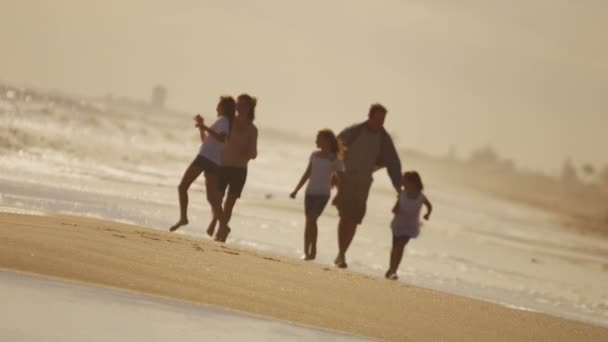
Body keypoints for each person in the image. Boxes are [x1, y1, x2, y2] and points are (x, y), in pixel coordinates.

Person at [332, 103, 402, 268]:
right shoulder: (354, 131)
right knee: (345, 217)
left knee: (355, 219)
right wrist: (333, 173)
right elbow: (335, 148)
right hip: (346, 179)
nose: (380, 123)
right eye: (378, 119)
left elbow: (393, 164)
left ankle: (342, 252)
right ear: (370, 117)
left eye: (383, 120)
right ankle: (341, 254)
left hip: (364, 183)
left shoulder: (384, 139)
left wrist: (399, 188)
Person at [170, 96, 235, 232]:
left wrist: (204, 126)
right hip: (214, 161)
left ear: (223, 107)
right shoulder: (223, 121)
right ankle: (223, 225)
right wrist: (202, 127)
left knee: (183, 187)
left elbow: (221, 138)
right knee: (211, 197)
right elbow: (207, 141)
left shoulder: (223, 120)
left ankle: (183, 218)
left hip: (205, 158)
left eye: (219, 104)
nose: (217, 107)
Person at [208, 94, 258, 242]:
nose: (240, 107)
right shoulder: (228, 122)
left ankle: (220, 232)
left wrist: (247, 151)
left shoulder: (252, 129)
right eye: (238, 104)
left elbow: (254, 153)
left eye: (244, 105)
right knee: (217, 199)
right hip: (222, 165)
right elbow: (217, 138)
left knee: (229, 204)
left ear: (250, 108)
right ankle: (219, 224)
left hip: (239, 169)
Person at [290, 129, 345, 260]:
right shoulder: (314, 155)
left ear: (326, 141)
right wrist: (296, 190)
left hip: (323, 194)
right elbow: (307, 173)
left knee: (312, 220)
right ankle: (306, 251)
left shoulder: (334, 159)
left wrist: (339, 195)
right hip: (309, 192)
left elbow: (341, 180)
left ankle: (313, 251)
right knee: (309, 222)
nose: (316, 141)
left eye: (318, 138)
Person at [386, 171, 432, 280]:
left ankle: (393, 271)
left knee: (400, 246)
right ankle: (391, 268)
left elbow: (429, 206)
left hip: (410, 227)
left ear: (413, 182)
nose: (403, 183)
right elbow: (394, 210)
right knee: (395, 247)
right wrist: (397, 204)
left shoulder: (421, 197)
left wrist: (427, 214)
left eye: (405, 180)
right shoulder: (402, 194)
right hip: (398, 225)